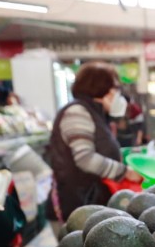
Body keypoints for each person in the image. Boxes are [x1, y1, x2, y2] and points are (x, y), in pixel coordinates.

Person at [47, 62, 140, 224]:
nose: (116, 94)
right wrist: (125, 171)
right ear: (101, 88)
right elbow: (85, 159)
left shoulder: (95, 114)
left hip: (90, 203)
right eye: (114, 88)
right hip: (76, 207)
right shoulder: (77, 112)